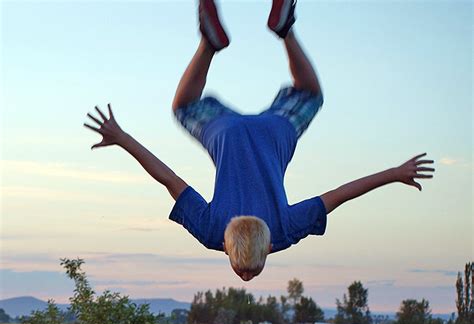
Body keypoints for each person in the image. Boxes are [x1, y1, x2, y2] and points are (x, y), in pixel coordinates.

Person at [84, 0, 435, 282]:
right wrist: (122, 138)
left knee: (310, 94)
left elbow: (339, 195)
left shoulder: (283, 231)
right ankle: (209, 43)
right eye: (250, 269)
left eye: (244, 270)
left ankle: (285, 30)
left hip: (275, 133)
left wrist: (394, 173)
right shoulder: (210, 231)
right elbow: (168, 179)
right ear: (233, 245)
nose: (247, 277)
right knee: (184, 106)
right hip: (226, 135)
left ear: (266, 248)